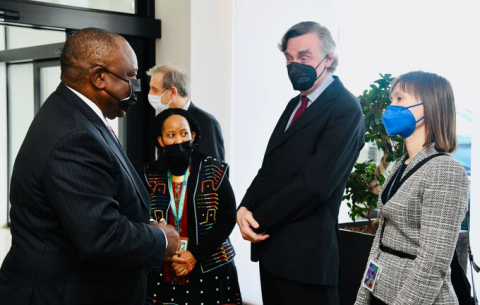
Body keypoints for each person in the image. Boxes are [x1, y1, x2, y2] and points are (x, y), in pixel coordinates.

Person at [0, 28, 183, 305]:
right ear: (99, 78)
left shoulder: (71, 112)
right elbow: (101, 236)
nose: (136, 89)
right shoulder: (75, 134)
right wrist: (159, 239)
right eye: (130, 78)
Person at [236, 21, 365, 305]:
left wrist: (258, 220)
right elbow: (270, 168)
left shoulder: (345, 109)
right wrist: (244, 207)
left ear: (329, 59)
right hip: (273, 256)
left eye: (304, 58)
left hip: (307, 263)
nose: (294, 66)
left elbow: (314, 186)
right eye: (289, 59)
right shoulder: (295, 104)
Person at [354, 71, 469, 305]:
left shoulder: (445, 170)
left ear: (429, 106)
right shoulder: (401, 164)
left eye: (399, 99)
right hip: (380, 292)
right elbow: (382, 241)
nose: (390, 107)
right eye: (391, 99)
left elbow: (434, 261)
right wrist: (363, 296)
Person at [144, 108, 242, 305]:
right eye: (171, 135)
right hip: (165, 266)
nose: (179, 140)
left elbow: (228, 219)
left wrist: (194, 254)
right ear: (161, 140)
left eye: (184, 133)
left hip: (212, 266)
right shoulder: (150, 174)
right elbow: (142, 216)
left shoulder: (214, 169)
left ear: (193, 135)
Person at [147, 64, 225, 160]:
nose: (150, 94)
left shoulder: (206, 122)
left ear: (172, 92)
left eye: (154, 89)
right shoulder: (162, 121)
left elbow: (214, 170)